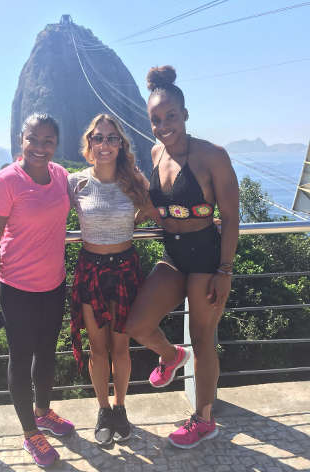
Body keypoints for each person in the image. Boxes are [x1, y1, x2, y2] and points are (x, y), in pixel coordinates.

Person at [126, 66, 239, 449]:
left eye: (170, 116)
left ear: (185, 114)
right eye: (156, 120)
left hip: (208, 259)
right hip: (174, 256)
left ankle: (203, 419)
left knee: (203, 338)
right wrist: (143, 208)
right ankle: (171, 356)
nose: (162, 126)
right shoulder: (156, 153)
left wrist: (225, 270)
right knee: (138, 324)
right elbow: (163, 204)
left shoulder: (213, 156)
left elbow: (231, 217)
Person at [0, 113, 74, 468]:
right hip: (16, 287)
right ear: (21, 139)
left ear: (56, 144)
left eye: (48, 141)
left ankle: (44, 412)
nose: (40, 147)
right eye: (34, 139)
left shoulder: (61, 175)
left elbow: (88, 204)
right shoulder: (5, 181)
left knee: (47, 353)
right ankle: (30, 432)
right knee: (21, 358)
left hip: (54, 283)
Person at [68, 113, 157, 446]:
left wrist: (206, 224)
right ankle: (103, 410)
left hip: (125, 270)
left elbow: (158, 209)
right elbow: (44, 214)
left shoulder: (134, 181)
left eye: (112, 138)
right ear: (89, 143)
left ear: (121, 144)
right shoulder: (75, 182)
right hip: (90, 269)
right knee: (97, 348)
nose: (104, 144)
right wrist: (2, 230)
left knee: (122, 346)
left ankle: (120, 408)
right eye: (98, 137)